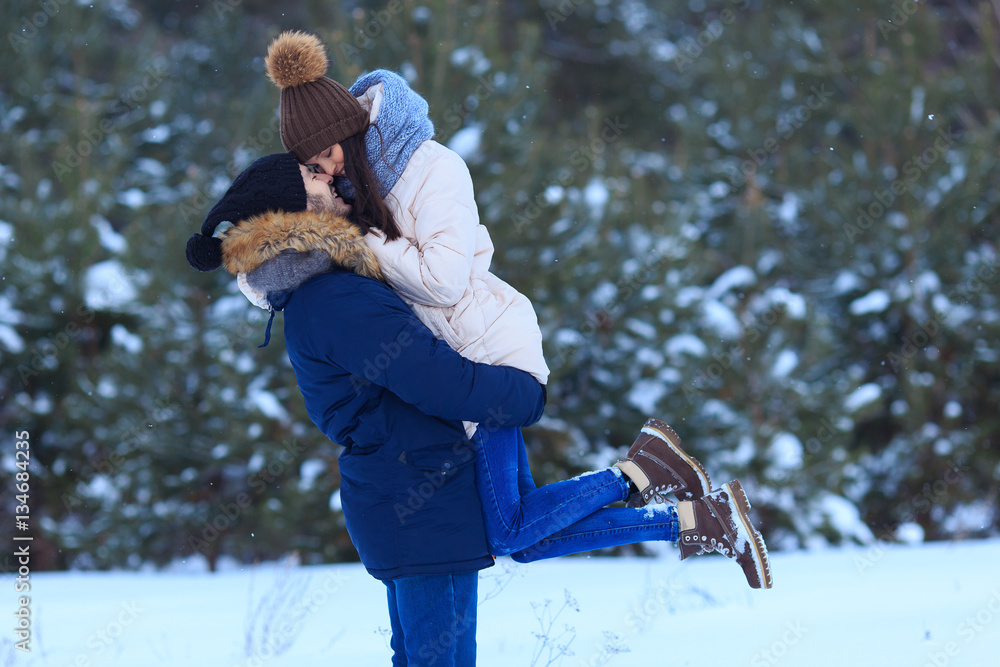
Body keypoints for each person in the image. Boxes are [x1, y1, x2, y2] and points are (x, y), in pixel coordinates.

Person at [185, 152, 771, 664]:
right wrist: (516, 398)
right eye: (312, 176)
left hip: (417, 491)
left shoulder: (331, 287)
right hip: (418, 498)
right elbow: (435, 379)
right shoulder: (334, 297)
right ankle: (663, 491)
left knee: (514, 546)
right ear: (291, 211)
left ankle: (671, 497)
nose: (331, 179)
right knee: (512, 550)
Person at [248, 29, 772, 584]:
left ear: (350, 130)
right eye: (313, 167)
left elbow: (442, 282)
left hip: (488, 353)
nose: (327, 172)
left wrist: (354, 240)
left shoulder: (432, 168)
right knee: (519, 533)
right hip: (456, 365)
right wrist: (270, 254)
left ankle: (644, 477)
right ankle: (700, 517)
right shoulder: (352, 193)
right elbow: (283, 270)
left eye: (328, 154)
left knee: (509, 529)